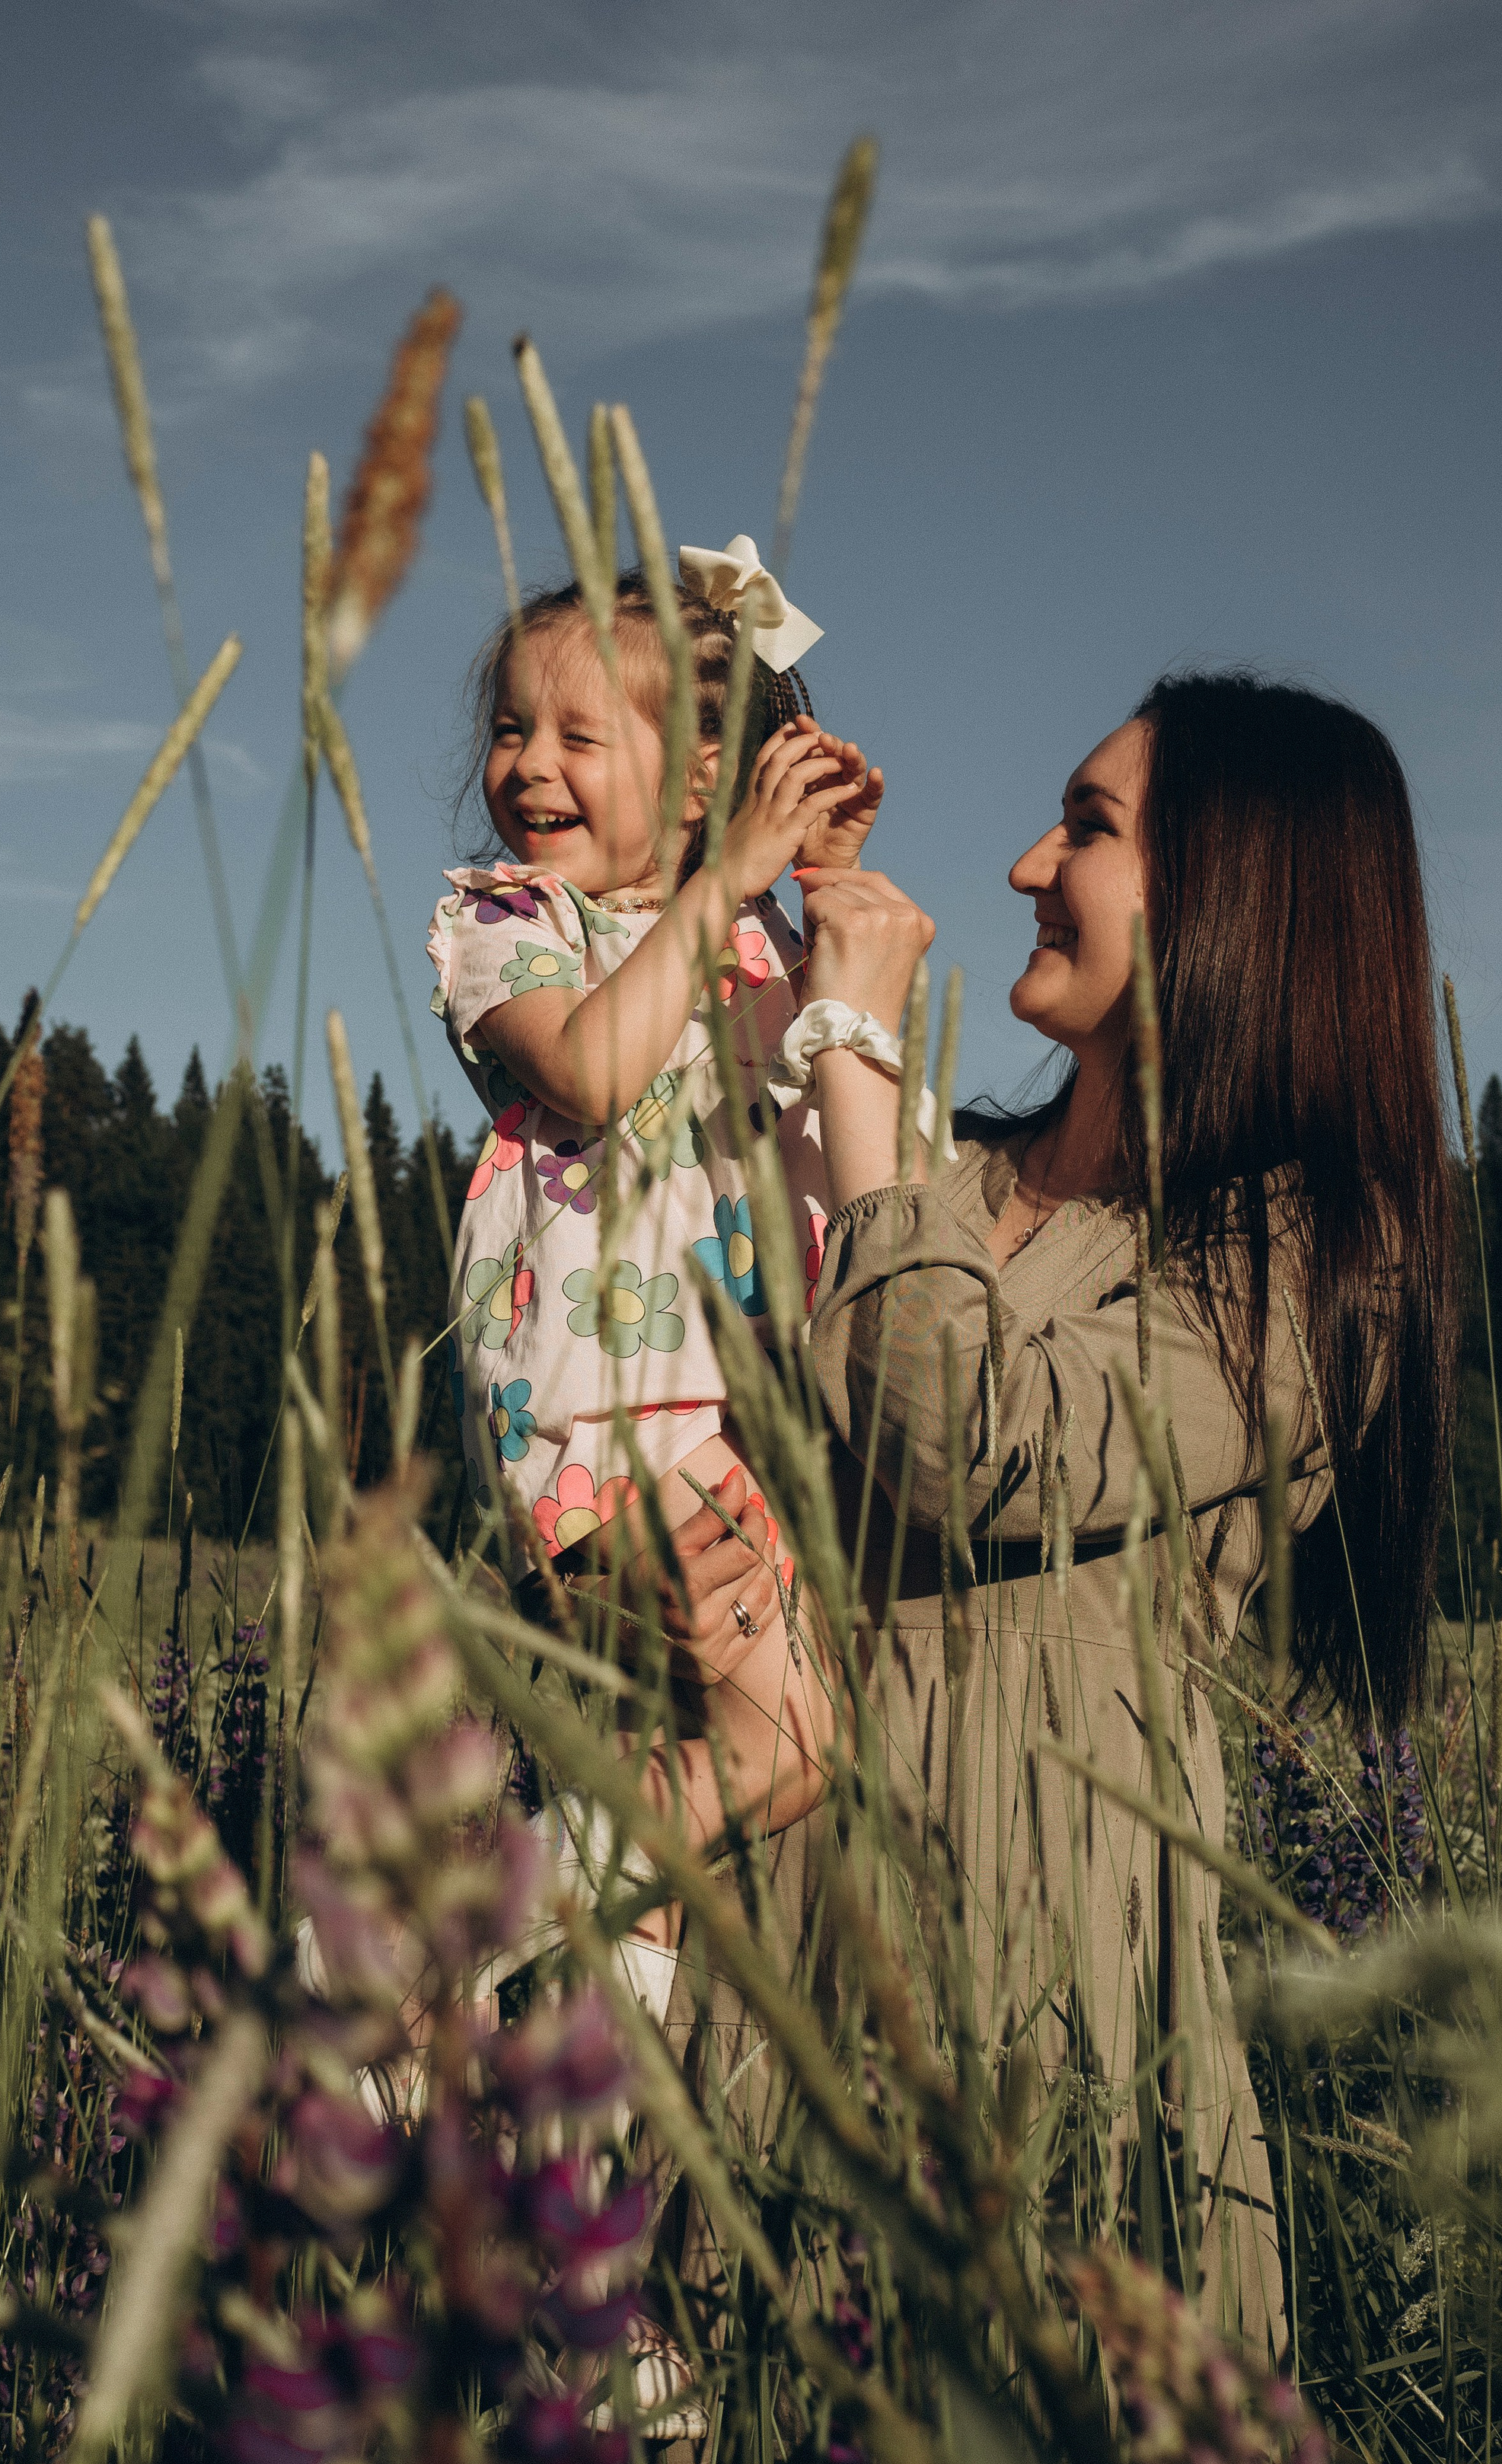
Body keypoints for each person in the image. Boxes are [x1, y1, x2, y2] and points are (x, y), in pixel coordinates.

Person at [654, 672, 1458, 2348]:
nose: (1026, 863)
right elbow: (685, 1383)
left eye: (1087, 827)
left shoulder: (1308, 1256)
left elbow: (970, 1437)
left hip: (1039, 1954)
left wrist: (852, 1055)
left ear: (1238, 892)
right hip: (776, 1933)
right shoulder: (934, 1174)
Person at [427, 547, 898, 2004]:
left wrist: (819, 872)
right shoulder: (509, 924)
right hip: (618, 1414)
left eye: (580, 735)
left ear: (701, 781)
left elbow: (854, 1072)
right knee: (790, 1743)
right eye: (512, 728)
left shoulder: (749, 936)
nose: (529, 765)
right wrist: (733, 881)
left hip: (741, 1413)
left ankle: (592, 2076)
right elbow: (592, 1066)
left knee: (689, 1762)